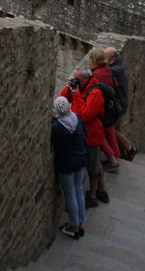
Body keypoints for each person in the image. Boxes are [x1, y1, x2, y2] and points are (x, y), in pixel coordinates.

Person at [60, 66, 110, 207]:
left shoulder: (95, 93)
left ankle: (93, 196)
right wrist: (69, 87)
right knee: (95, 163)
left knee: (93, 167)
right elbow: (62, 100)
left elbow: (86, 115)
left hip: (92, 136)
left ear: (85, 79)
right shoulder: (80, 86)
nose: (75, 81)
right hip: (82, 133)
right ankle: (102, 190)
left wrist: (76, 94)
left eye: (77, 79)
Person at [50, 95, 87, 239]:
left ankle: (74, 227)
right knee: (78, 190)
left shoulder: (57, 127)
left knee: (70, 193)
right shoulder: (77, 118)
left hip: (66, 163)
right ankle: (81, 223)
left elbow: (53, 143)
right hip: (80, 158)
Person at [87, 48, 121, 171]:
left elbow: (93, 89)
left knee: (98, 135)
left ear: (95, 61)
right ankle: (116, 155)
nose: (89, 63)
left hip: (103, 109)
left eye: (91, 61)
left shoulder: (97, 74)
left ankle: (113, 161)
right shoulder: (107, 69)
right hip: (111, 106)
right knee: (110, 131)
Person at [104, 46, 138, 160]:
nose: (103, 58)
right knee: (118, 128)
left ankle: (130, 148)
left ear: (112, 58)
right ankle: (122, 152)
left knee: (112, 129)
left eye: (105, 56)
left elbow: (103, 72)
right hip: (121, 103)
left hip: (118, 104)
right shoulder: (118, 65)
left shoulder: (114, 70)